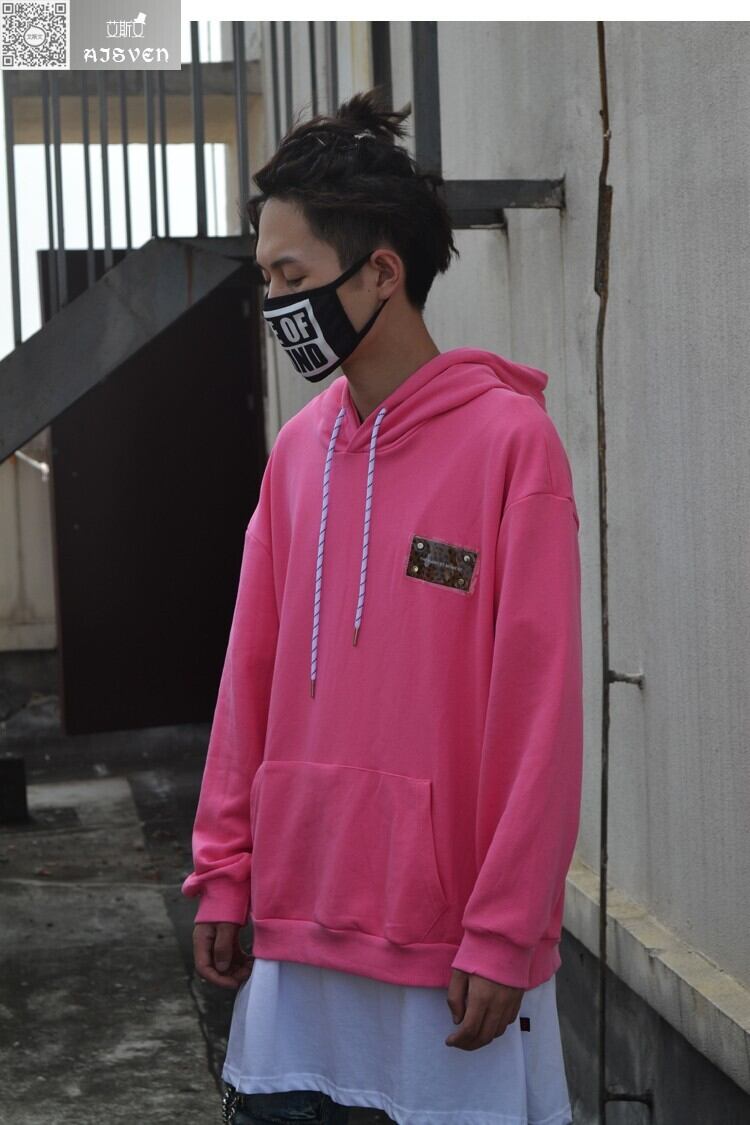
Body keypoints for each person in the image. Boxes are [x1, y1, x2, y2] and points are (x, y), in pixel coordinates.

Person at [181, 86, 583, 1125]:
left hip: (448, 960)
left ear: (382, 274)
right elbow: (248, 677)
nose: (275, 302)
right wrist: (225, 868)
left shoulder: (511, 446)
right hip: (297, 941)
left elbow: (537, 712)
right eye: (266, 278)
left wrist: (507, 927)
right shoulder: (296, 453)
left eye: (292, 276)